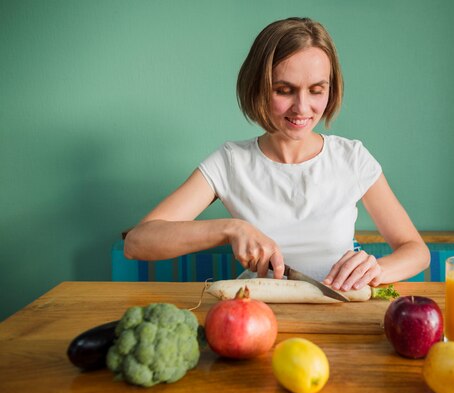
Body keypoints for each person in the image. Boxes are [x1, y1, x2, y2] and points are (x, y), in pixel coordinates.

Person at [124, 17, 430, 291]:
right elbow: (139, 242)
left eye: (316, 89)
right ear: (258, 87)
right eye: (284, 90)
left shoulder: (352, 158)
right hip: (256, 315)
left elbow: (416, 250)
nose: (302, 107)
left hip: (339, 310)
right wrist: (229, 228)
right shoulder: (230, 162)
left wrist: (376, 269)